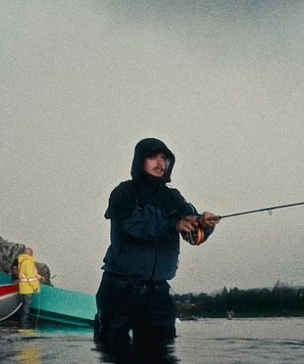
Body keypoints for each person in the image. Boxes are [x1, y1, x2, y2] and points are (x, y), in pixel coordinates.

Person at [94, 138, 220, 355]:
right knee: (113, 352)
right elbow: (134, 227)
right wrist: (173, 225)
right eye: (153, 157)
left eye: (164, 158)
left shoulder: (174, 197)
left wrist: (203, 224)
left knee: (161, 355)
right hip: (120, 289)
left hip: (158, 293)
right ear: (140, 161)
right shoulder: (123, 193)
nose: (160, 163)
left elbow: (193, 237)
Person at [16, 247, 43, 328]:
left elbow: (30, 274)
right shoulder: (28, 262)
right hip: (28, 288)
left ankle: (25, 319)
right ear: (30, 254)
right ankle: (24, 323)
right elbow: (30, 276)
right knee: (27, 306)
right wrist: (35, 286)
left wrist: (39, 277)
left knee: (25, 305)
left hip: (22, 288)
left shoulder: (21, 261)